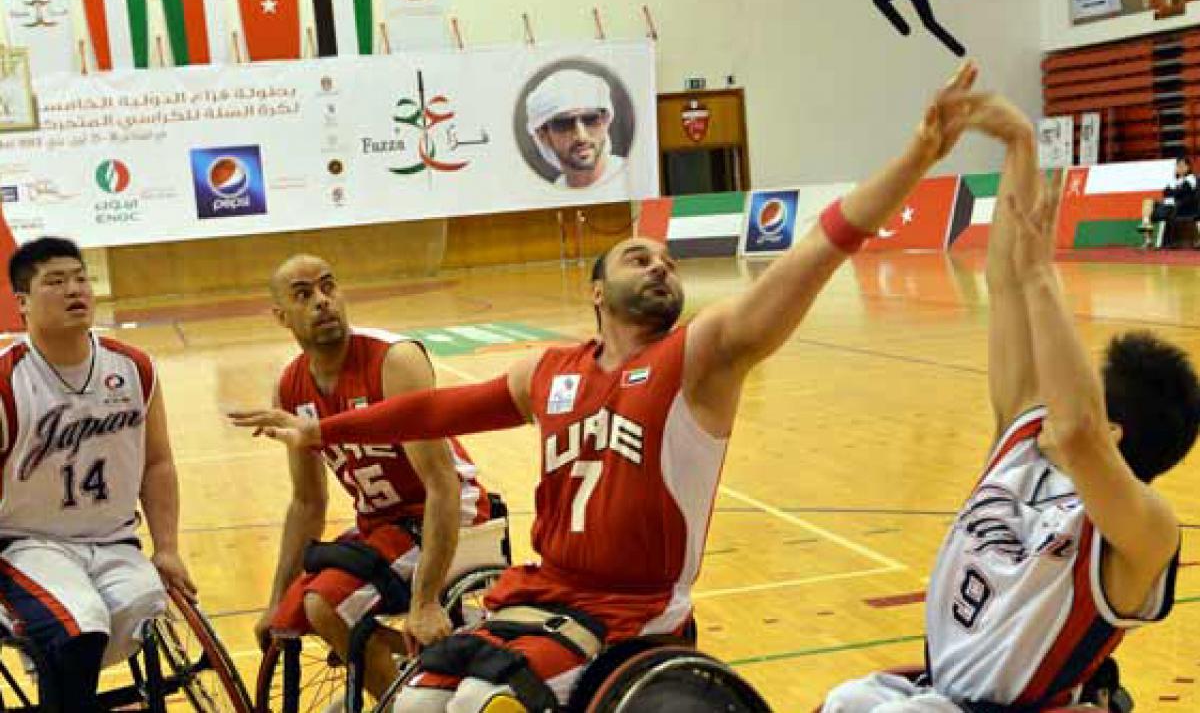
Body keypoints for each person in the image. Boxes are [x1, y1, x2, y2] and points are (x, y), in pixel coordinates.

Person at [231, 62, 982, 712]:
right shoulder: (549, 371)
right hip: (543, 588)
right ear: (597, 293)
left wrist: (919, 153)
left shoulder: (702, 358)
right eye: (637, 257)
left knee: (476, 705)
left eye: (666, 260)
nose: (659, 266)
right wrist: (322, 430)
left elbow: (820, 249)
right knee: (421, 696)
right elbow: (435, 409)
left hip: (633, 610)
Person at [823, 95, 1200, 710]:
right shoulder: (1024, 438)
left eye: (1076, 386)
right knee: (847, 700)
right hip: (933, 694)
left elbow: (1078, 432)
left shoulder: (1145, 532)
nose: (1055, 387)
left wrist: (1042, 276)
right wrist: (1021, 147)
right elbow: (1002, 284)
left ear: (1115, 431)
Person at [257, 255, 492, 703]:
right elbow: (307, 503)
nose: (323, 302)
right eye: (304, 295)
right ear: (281, 316)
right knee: (292, 610)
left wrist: (423, 602)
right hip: (382, 526)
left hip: (447, 510)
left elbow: (441, 483)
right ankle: (405, 674)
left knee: (324, 602)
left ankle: (409, 703)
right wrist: (273, 599)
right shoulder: (290, 388)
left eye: (329, 287)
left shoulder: (393, 360)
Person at [0, 236, 194, 711]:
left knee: (139, 612)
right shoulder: (7, 379)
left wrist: (166, 547)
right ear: (22, 303)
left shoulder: (133, 367)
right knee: (79, 628)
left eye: (81, 277)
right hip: (28, 545)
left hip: (114, 541)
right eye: (56, 281)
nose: (75, 289)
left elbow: (158, 462)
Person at [525, 69, 626, 191]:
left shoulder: (632, 178)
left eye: (590, 119)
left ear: (605, 121)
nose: (581, 136)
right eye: (564, 124)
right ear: (543, 136)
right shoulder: (553, 193)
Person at [1141, 156, 1198, 249]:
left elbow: (1180, 192)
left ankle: (1147, 229)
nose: (1179, 168)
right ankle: (1147, 236)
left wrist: (1173, 192)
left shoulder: (1191, 179)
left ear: (1188, 167)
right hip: (1167, 205)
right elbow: (1165, 192)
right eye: (1177, 166)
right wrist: (1174, 191)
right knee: (1147, 202)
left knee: (1154, 209)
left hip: (1178, 207)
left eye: (1182, 166)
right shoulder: (1174, 180)